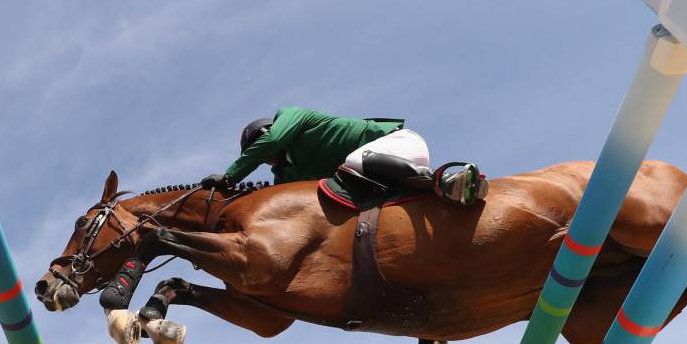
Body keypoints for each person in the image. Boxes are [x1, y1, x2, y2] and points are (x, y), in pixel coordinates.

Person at [200, 106, 486, 205]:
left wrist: (230, 176)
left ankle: (447, 181)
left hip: (398, 145)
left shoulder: (290, 116)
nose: (266, 162)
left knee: (352, 163)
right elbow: (284, 200)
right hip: (378, 177)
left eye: (259, 153)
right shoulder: (285, 173)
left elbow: (272, 140)